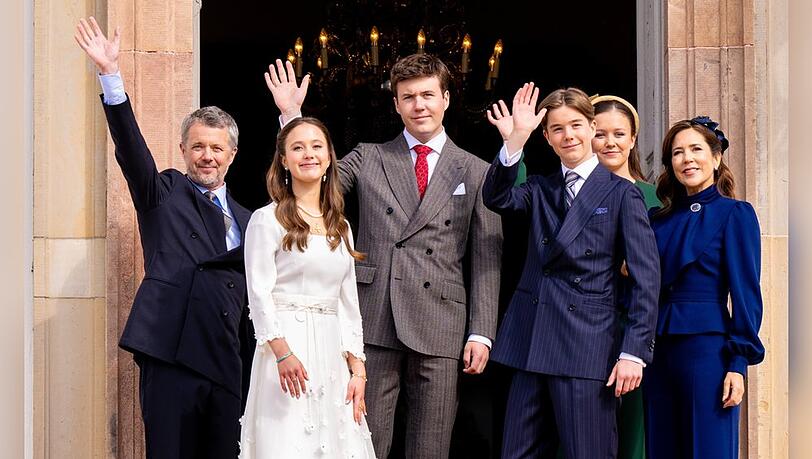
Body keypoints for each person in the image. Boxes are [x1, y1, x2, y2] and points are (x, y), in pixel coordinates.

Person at [267, 54, 503, 458]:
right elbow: (315, 174)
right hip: (374, 317)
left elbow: (486, 256)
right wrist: (292, 115)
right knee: (364, 438)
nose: (419, 105)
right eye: (408, 96)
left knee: (431, 446)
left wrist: (482, 331)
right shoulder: (370, 156)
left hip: (441, 320)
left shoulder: (477, 171)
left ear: (446, 98)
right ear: (396, 104)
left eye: (428, 94)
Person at [75, 17, 253, 458]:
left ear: (232, 154)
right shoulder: (164, 192)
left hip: (228, 356)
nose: (206, 156)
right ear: (183, 151)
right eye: (197, 147)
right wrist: (110, 76)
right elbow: (132, 150)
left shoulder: (253, 221)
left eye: (216, 148)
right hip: (172, 353)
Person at [482, 84, 660, 458]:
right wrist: (516, 138)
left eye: (576, 125)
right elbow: (497, 197)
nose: (569, 135)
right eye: (558, 128)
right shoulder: (539, 189)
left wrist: (633, 353)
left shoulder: (621, 194)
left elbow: (646, 279)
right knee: (516, 453)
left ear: (591, 127)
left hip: (588, 345)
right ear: (546, 137)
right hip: (531, 340)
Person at [238, 117, 376, 458]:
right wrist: (282, 353)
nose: (308, 154)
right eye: (297, 148)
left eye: (316, 146)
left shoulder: (340, 226)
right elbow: (258, 294)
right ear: (284, 160)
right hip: (284, 353)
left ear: (329, 157)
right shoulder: (266, 219)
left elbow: (348, 303)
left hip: (332, 356)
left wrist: (357, 369)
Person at [644, 117, 765, 459]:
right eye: (678, 152)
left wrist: (738, 365)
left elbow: (745, 296)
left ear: (715, 158)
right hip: (656, 350)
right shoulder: (656, 220)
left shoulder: (735, 214)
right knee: (661, 449)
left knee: (707, 450)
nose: (687, 159)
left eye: (696, 149)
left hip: (708, 351)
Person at [591, 94, 661, 459]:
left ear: (633, 139)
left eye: (619, 133)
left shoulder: (654, 197)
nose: (610, 142)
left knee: (634, 436)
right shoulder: (571, 192)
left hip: (636, 328)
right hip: (584, 330)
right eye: (600, 134)